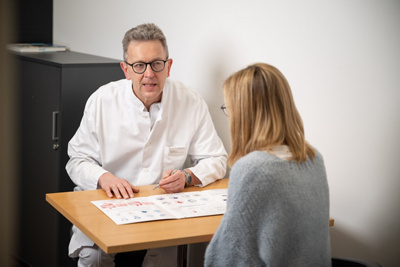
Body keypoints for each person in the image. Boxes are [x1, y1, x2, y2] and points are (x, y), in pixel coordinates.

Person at [66, 23, 227, 267]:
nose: (149, 74)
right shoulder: (102, 100)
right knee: (94, 259)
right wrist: (104, 177)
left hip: (162, 209)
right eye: (139, 66)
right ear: (126, 69)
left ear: (168, 66)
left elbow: (216, 159)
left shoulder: (190, 101)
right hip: (106, 203)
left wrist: (187, 176)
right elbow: (77, 160)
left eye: (156, 64)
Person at [204, 63, 330, 266]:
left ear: (244, 114)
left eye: (229, 108)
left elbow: (226, 259)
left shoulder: (252, 169)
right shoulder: (314, 158)